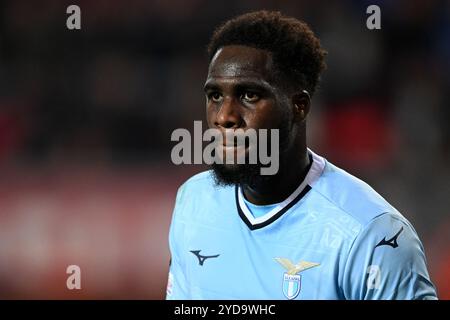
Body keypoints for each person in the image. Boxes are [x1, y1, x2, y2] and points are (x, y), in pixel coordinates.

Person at [166, 10, 437, 300]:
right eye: (215, 96)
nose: (225, 116)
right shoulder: (192, 202)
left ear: (300, 106)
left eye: (249, 95)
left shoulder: (373, 236)